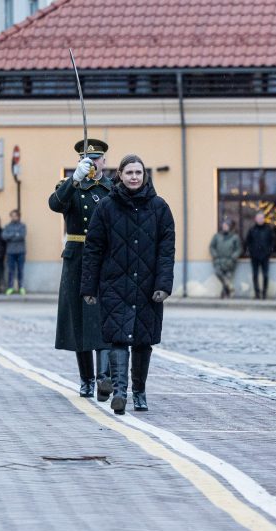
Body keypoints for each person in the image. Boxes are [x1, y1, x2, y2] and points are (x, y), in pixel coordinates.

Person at [81, 154, 176, 415]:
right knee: (119, 339)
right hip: (115, 284)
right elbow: (93, 250)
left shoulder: (160, 208)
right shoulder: (106, 208)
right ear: (120, 175)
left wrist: (163, 284)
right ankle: (120, 393)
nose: (134, 177)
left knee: (143, 342)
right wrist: (89, 287)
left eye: (139, 172)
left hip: (147, 286)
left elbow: (166, 251)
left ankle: (140, 392)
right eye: (129, 172)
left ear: (144, 176)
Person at [48, 138, 113, 400]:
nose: (93, 164)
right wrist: (73, 180)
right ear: (80, 161)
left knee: (103, 317)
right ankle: (86, 379)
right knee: (79, 319)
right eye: (88, 159)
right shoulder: (70, 187)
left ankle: (103, 378)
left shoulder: (112, 189)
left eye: (97, 159)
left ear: (104, 162)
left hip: (104, 258)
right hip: (76, 258)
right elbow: (54, 204)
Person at [245, 212, 276, 299]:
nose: (260, 220)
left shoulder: (268, 229)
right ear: (256, 219)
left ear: (264, 219)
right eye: (258, 218)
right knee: (255, 275)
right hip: (254, 256)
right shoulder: (252, 230)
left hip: (265, 256)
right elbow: (247, 242)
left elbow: (273, 241)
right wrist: (250, 252)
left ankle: (264, 293)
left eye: (262, 218)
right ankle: (257, 293)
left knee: (265, 275)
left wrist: (269, 251)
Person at [209, 218, 242, 298]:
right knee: (220, 275)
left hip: (230, 262)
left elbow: (239, 249)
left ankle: (224, 294)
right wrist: (215, 255)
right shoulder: (217, 236)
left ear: (230, 227)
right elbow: (212, 246)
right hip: (219, 261)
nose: (224, 227)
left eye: (226, 226)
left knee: (228, 277)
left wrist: (234, 256)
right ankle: (230, 289)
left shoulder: (235, 237)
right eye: (223, 225)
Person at [1, 209, 26, 295]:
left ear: (18, 216)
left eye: (15, 216)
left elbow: (22, 236)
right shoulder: (7, 226)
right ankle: (10, 287)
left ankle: (21, 287)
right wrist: (15, 234)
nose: (13, 217)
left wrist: (10, 236)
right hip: (10, 252)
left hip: (21, 251)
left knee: (20, 270)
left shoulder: (22, 226)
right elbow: (4, 236)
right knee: (11, 271)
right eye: (12, 216)